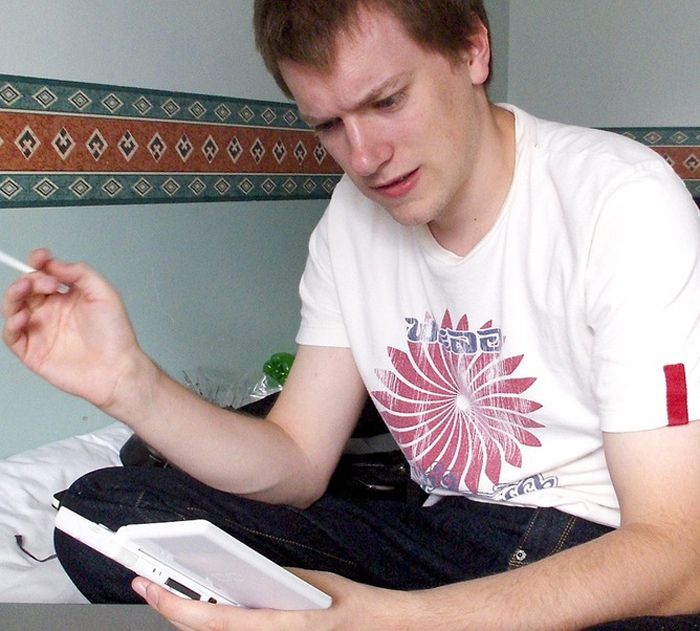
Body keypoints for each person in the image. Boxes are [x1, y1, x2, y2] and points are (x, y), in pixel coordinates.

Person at [3, 0, 700, 628]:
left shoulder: (620, 201)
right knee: (106, 513)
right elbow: (298, 460)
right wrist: (130, 382)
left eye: (388, 100)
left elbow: (677, 552)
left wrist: (388, 620)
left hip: (593, 550)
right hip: (438, 539)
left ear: (473, 50)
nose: (364, 157)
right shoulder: (351, 219)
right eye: (329, 124)